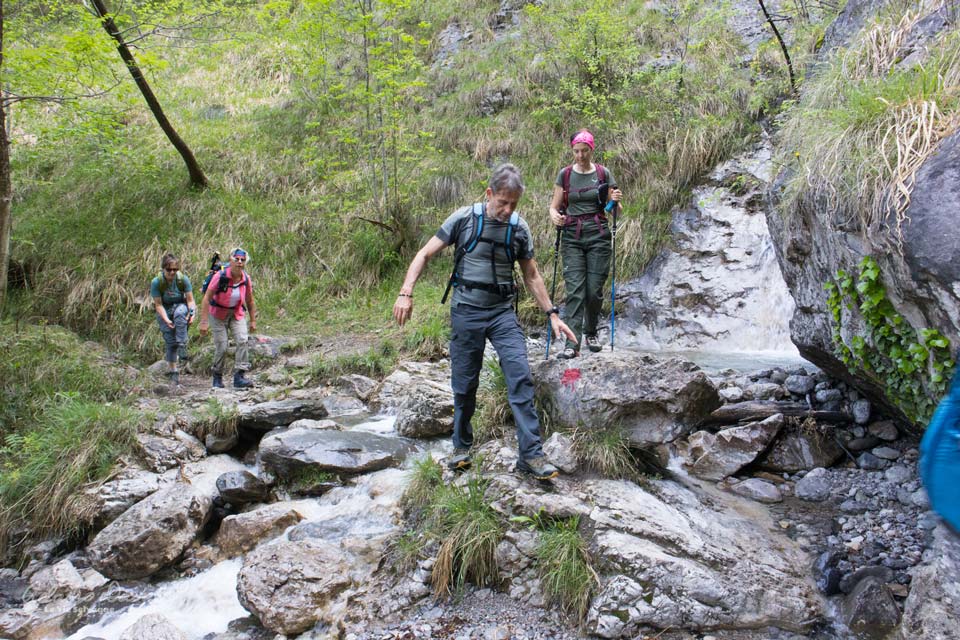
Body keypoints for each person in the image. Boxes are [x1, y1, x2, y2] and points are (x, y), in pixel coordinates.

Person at [393, 163, 576, 480]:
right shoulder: (464, 219)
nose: (507, 210)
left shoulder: (518, 228)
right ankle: (461, 448)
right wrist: (405, 292)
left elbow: (531, 275)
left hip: (503, 313)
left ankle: (531, 456)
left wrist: (553, 315)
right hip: (467, 310)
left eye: (513, 204)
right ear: (489, 193)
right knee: (464, 385)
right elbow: (424, 254)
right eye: (502, 202)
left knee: (519, 377)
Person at [548, 129, 622, 359]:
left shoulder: (602, 173)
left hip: (598, 236)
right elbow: (554, 206)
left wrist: (616, 202)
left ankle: (591, 332)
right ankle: (572, 343)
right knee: (576, 292)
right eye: (576, 151)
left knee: (593, 291)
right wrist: (554, 217)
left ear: (591, 150)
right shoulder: (566, 175)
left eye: (584, 151)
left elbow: (614, 210)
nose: (580, 156)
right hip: (572, 237)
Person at [199, 248, 257, 389]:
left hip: (236, 313)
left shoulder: (245, 279)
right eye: (236, 259)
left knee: (243, 340)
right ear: (230, 260)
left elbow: (250, 300)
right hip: (217, 314)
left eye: (242, 260)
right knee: (222, 347)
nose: (239, 262)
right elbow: (206, 298)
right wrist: (204, 322)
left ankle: (239, 376)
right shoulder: (220, 276)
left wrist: (253, 320)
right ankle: (217, 377)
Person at [150, 253, 197, 385]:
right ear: (163, 269)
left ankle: (182, 344)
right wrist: (166, 319)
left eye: (175, 270)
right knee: (170, 342)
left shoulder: (183, 280)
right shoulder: (157, 282)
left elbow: (190, 300)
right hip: (164, 310)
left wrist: (192, 313)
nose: (172, 272)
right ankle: (173, 371)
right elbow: (158, 304)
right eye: (169, 269)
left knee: (180, 313)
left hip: (181, 307)